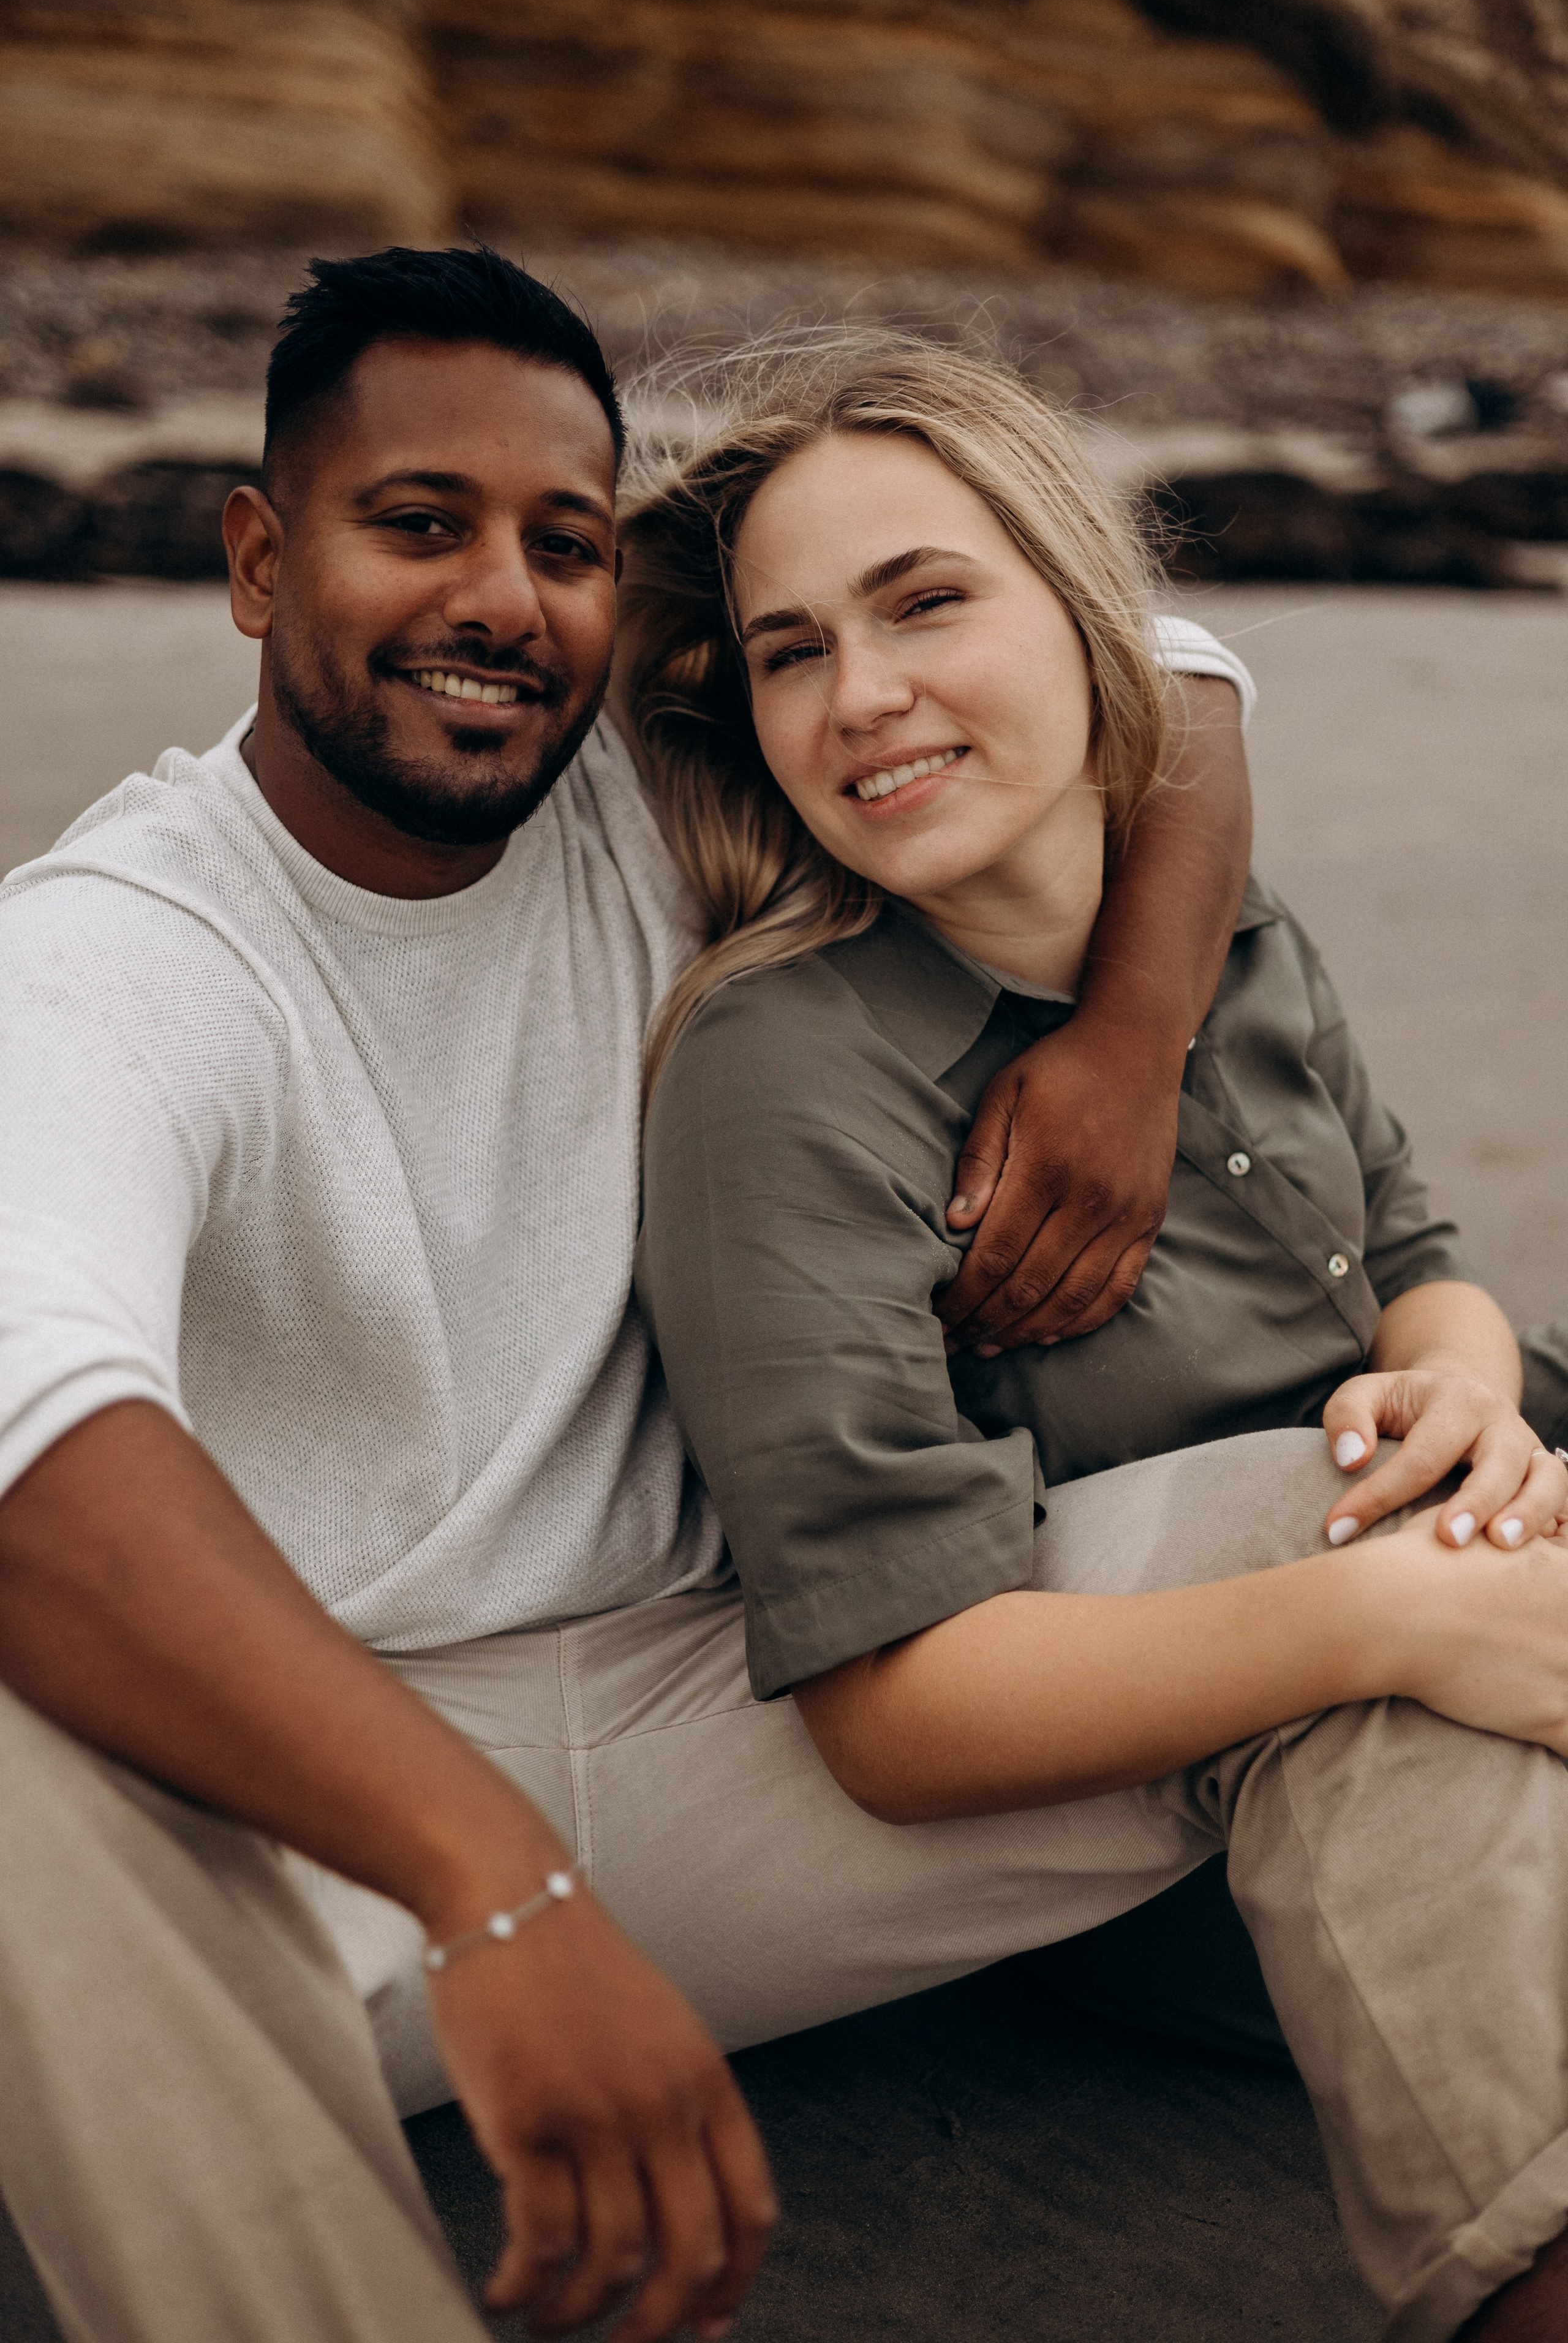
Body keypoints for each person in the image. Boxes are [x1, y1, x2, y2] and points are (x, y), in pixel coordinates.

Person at [0, 247, 1262, 2343]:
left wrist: (1131, 1037)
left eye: (563, 545)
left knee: (1353, 1513)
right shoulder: (114, 961)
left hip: (741, 1716)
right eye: (418, 525)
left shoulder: (647, 779)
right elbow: (33, 1434)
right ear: (254, 558)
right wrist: (491, 1875)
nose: (503, 599)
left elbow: (1176, 671)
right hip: (313, 1816)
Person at [622, 333, 1568, 2342]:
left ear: (1084, 611)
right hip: (1261, 1770)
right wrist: (1410, 1615)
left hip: (1443, 1546)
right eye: (789, 652)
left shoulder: (1224, 919)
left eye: (926, 603)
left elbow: (1415, 1246)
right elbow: (890, 1714)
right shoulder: (781, 1071)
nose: (860, 697)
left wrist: (1467, 1391)